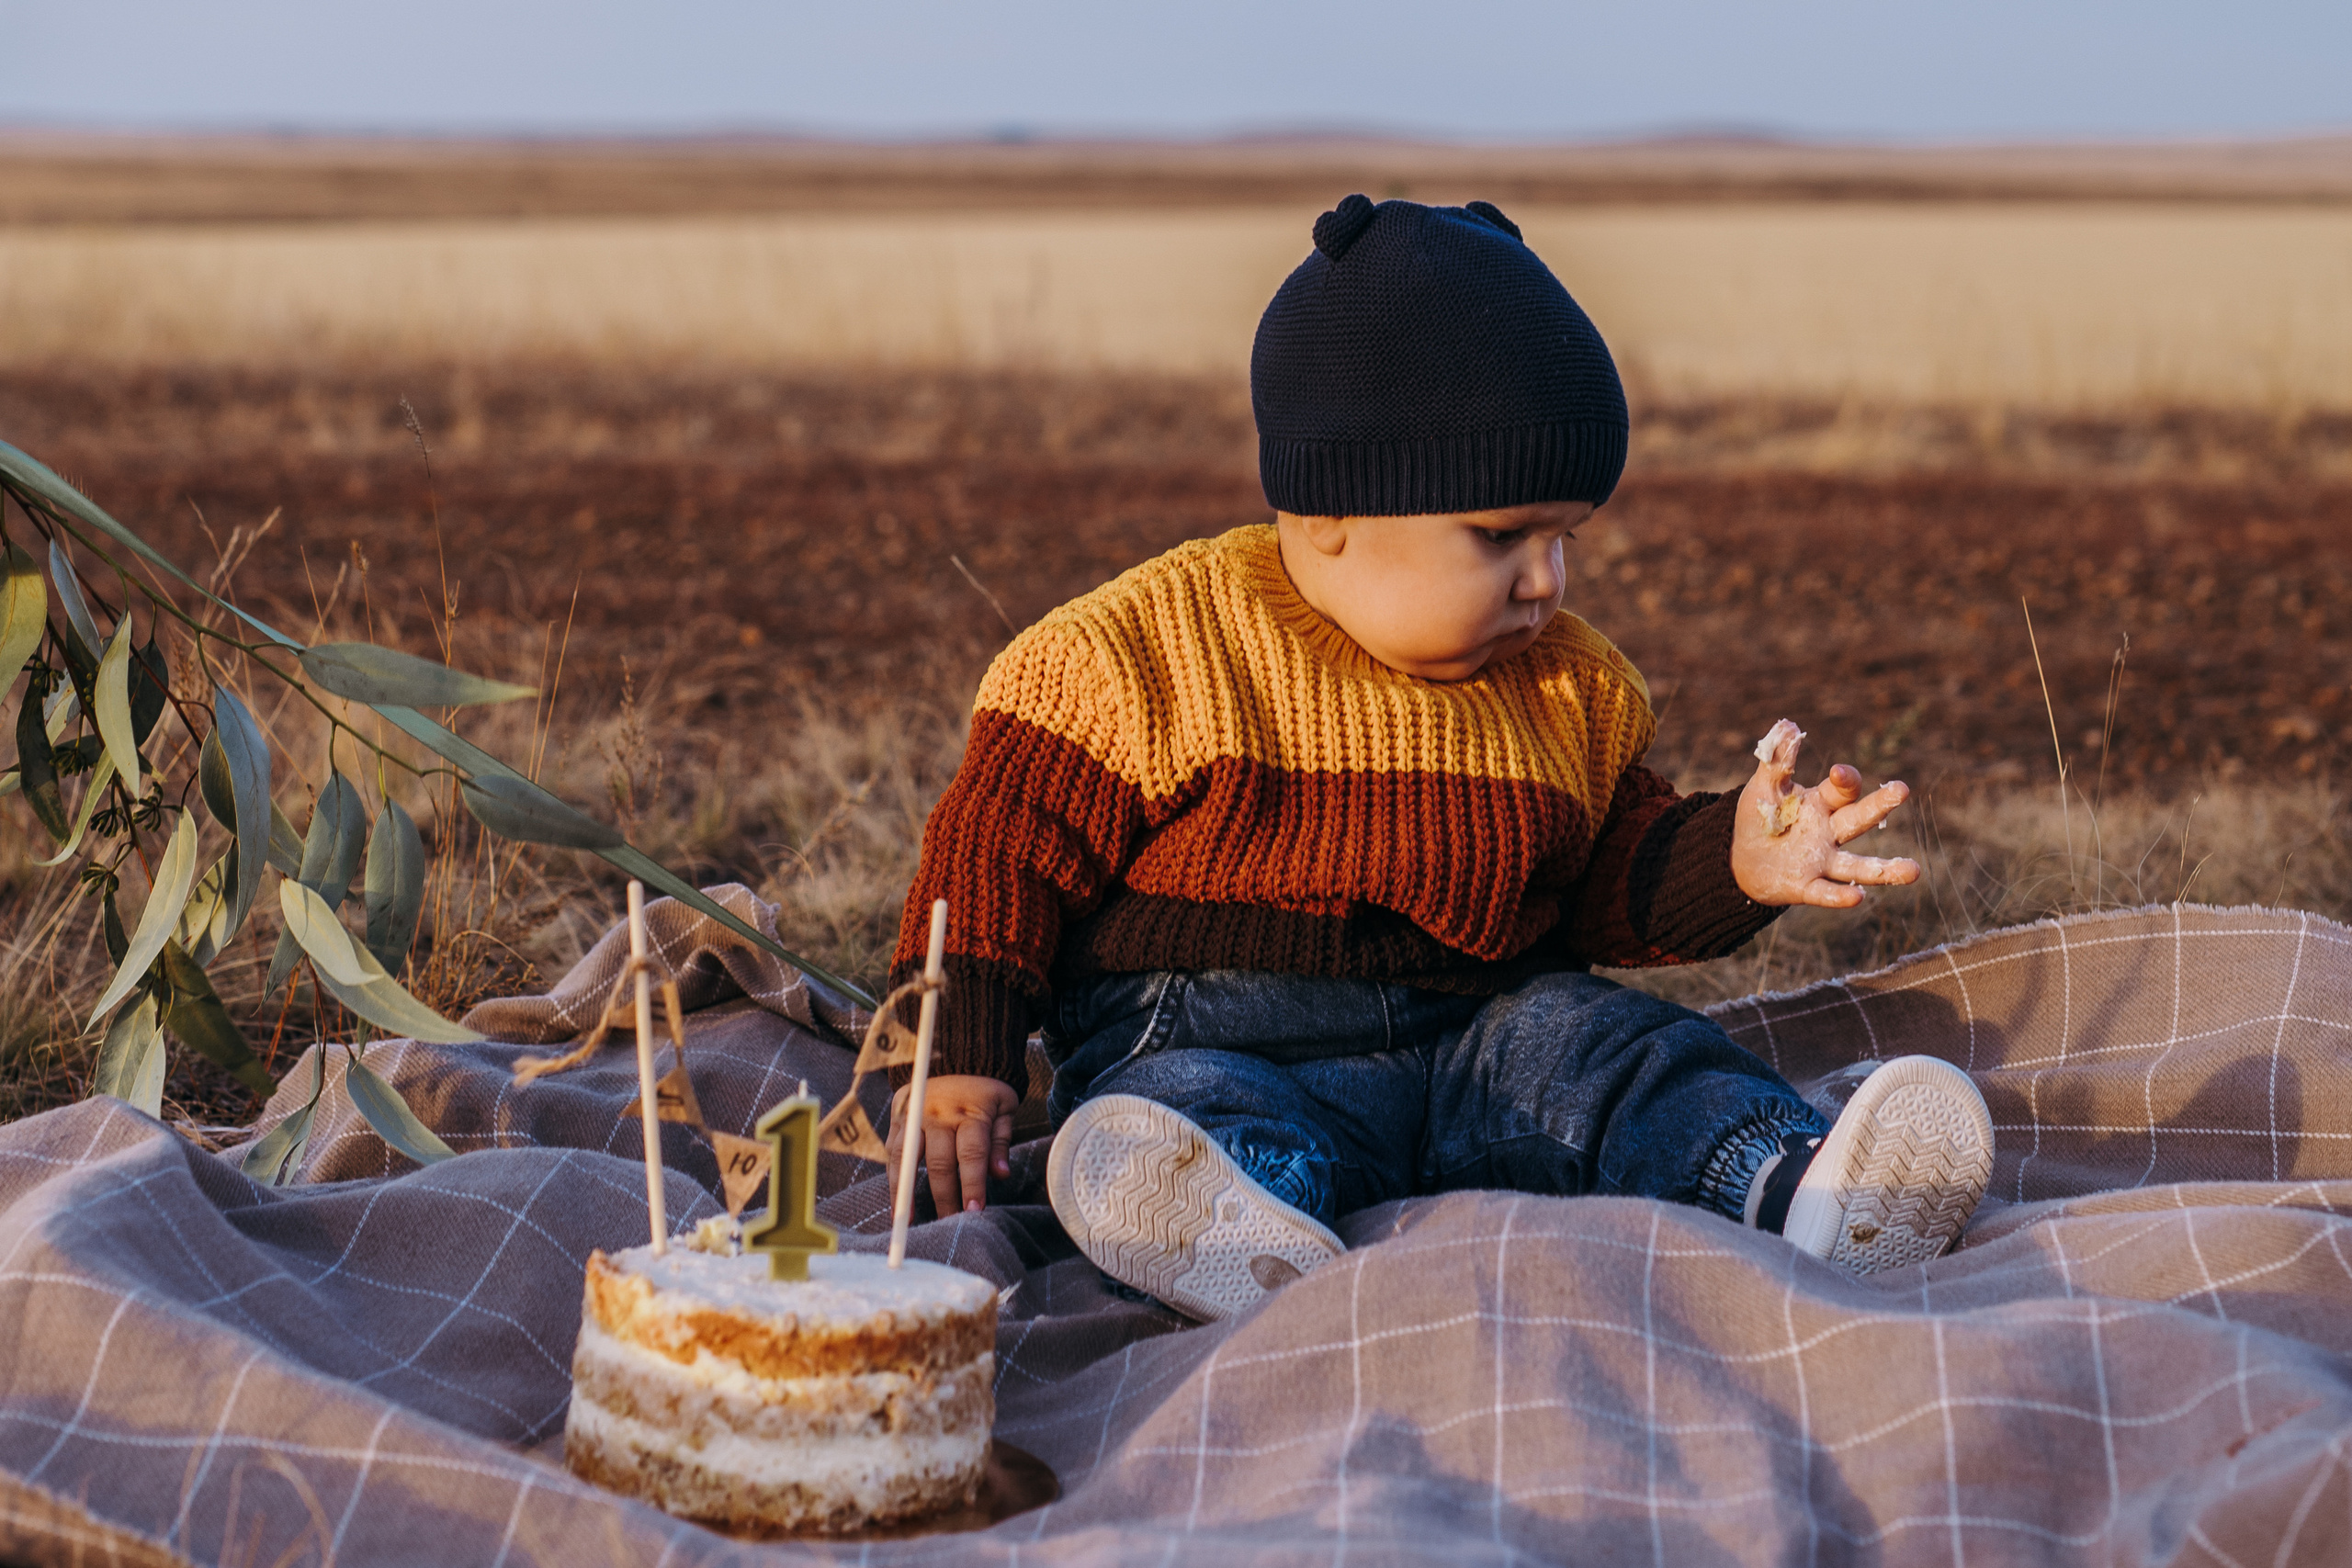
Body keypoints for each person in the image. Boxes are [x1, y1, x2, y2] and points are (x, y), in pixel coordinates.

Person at [882, 194, 1993, 1322]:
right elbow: (992, 861)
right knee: (1181, 1106)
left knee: (1621, 1052)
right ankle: (1220, 1216)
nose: (1546, 580)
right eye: (1501, 536)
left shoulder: (1568, 685)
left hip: (1479, 1036)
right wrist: (957, 1053)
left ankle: (1792, 1182)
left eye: (1566, 537)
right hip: (1220, 1031)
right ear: (1331, 510)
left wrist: (1738, 861)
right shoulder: (1137, 655)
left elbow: (1608, 879)